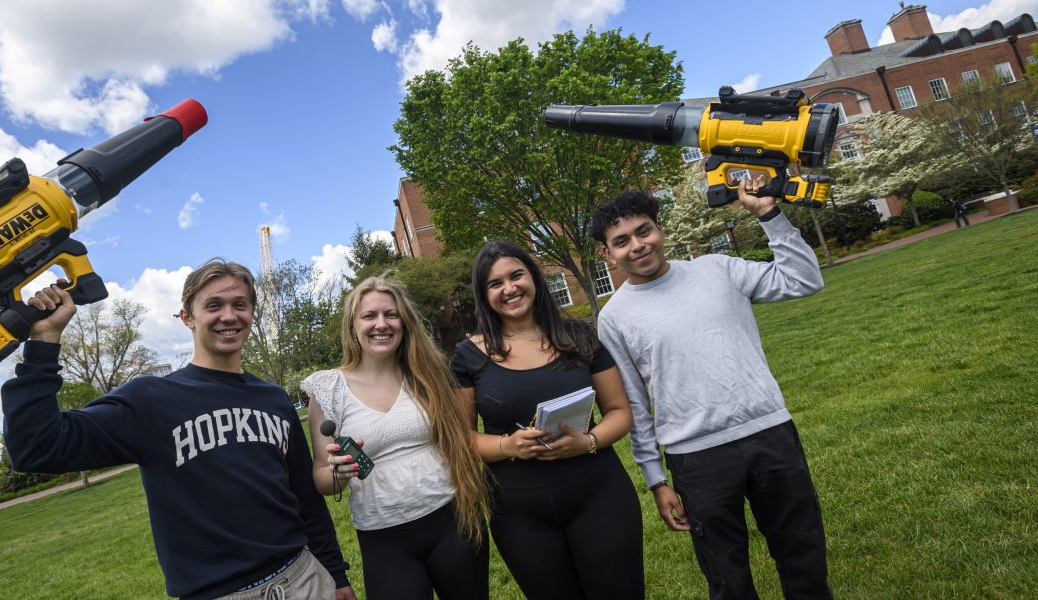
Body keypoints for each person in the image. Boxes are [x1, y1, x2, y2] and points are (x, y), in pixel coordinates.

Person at [0, 258, 355, 600]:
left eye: (240, 305)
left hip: (305, 579)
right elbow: (36, 446)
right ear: (187, 316)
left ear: (251, 314)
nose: (229, 316)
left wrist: (336, 574)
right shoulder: (150, 400)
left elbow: (306, 500)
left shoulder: (274, 399)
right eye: (213, 305)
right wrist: (43, 343)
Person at [591, 180, 832, 600]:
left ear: (660, 229)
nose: (637, 246)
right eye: (622, 241)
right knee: (727, 577)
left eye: (644, 231)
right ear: (607, 253)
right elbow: (633, 403)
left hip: (770, 433)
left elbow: (803, 280)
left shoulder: (717, 269)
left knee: (803, 556)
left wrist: (768, 215)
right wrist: (655, 479)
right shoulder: (614, 318)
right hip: (696, 456)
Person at [450, 240, 646, 600]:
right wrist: (508, 445)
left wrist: (588, 442)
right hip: (519, 514)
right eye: (495, 284)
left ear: (534, 278)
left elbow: (620, 412)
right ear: (484, 294)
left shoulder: (579, 337)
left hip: (599, 495)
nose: (509, 289)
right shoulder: (468, 356)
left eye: (516, 275)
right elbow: (461, 440)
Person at [301, 276, 489, 600]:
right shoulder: (329, 389)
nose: (381, 324)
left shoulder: (427, 372)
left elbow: (461, 440)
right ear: (352, 325)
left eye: (391, 314)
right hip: (382, 537)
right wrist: (338, 473)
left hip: (452, 520)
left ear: (404, 321)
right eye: (369, 316)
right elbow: (322, 476)